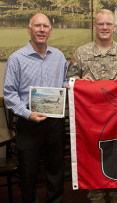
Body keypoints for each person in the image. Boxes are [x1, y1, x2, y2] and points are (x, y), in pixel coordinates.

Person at [67, 9, 117, 203]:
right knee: (93, 159)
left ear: (114, 27)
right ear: (95, 26)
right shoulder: (81, 53)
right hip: (91, 122)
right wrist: (80, 81)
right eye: (101, 24)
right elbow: (69, 81)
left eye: (108, 24)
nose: (104, 27)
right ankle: (95, 196)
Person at [3, 13, 68, 202]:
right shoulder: (16, 59)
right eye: (37, 26)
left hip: (54, 122)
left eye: (45, 26)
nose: (41, 30)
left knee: (55, 170)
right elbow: (9, 94)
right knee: (28, 173)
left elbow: (63, 81)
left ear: (50, 31)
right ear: (29, 30)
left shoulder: (58, 56)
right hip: (28, 123)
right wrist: (27, 114)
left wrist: (71, 84)